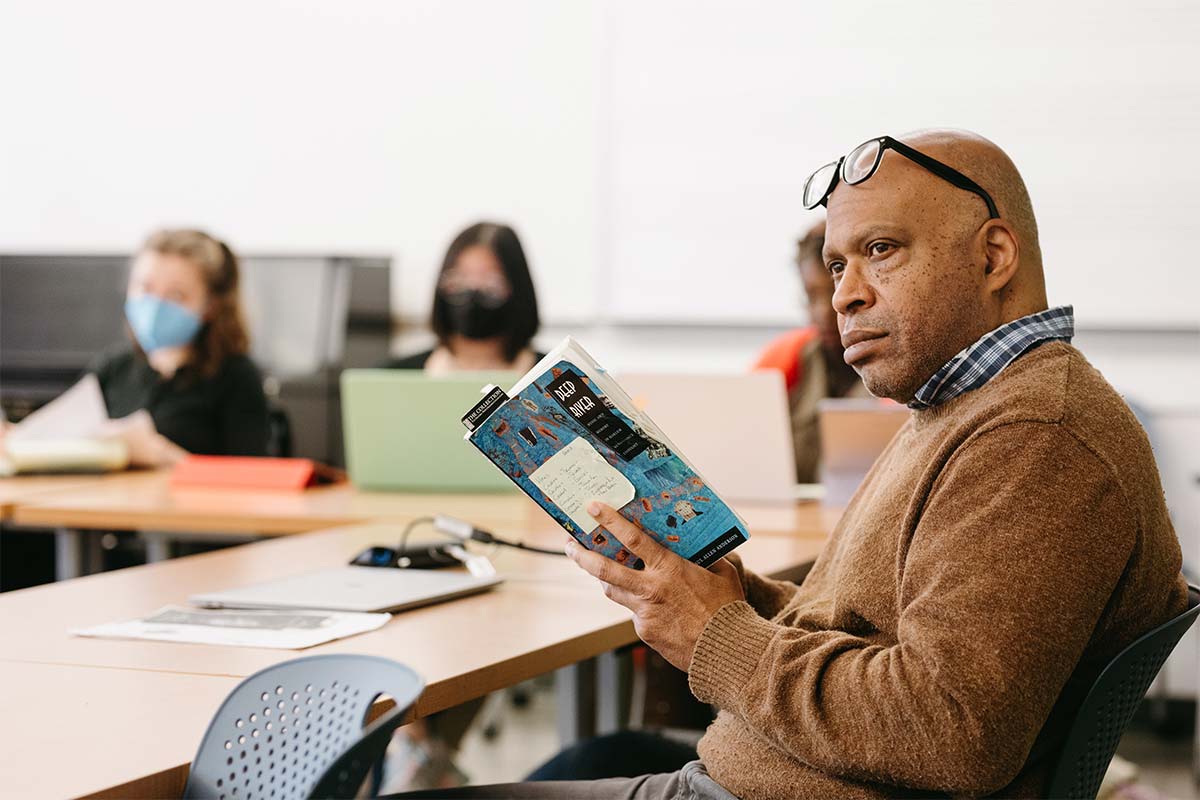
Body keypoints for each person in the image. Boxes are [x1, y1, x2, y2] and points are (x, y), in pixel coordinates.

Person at [390, 130, 1189, 799]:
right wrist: (740, 596)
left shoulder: (1036, 436)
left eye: (882, 250)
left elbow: (950, 731)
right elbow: (868, 637)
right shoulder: (965, 408)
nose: (845, 294)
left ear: (994, 256)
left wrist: (716, 632)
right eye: (838, 265)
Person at [90, 228, 269, 461]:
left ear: (210, 305)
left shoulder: (236, 377)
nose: (155, 306)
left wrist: (162, 454)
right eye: (145, 288)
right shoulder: (111, 368)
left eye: (176, 295)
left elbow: (254, 480)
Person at [753, 220, 868, 482]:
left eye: (833, 293)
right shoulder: (783, 359)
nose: (823, 312)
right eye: (810, 296)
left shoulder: (901, 371)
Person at [384, 222, 543, 373]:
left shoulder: (556, 375)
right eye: (460, 277)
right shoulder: (393, 376)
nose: (473, 289)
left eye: (491, 280)